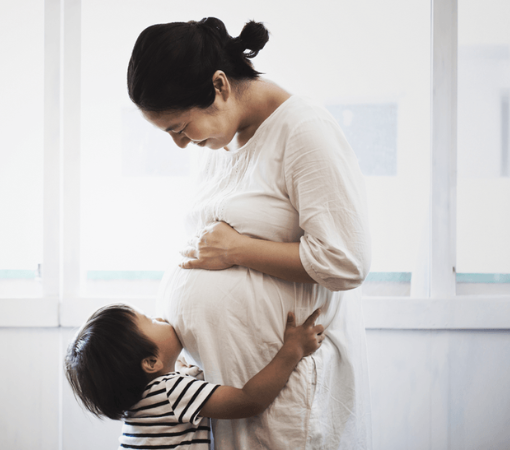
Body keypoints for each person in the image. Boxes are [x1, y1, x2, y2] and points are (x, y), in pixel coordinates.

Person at [127, 17, 373, 450]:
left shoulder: (303, 131)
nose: (181, 145)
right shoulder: (220, 142)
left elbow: (345, 260)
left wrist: (238, 250)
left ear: (219, 86)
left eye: (180, 128)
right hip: (226, 392)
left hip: (285, 393)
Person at [65, 303, 325, 450]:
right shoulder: (170, 391)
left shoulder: (141, 406)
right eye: (149, 321)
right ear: (151, 362)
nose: (159, 317)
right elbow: (249, 400)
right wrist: (293, 350)